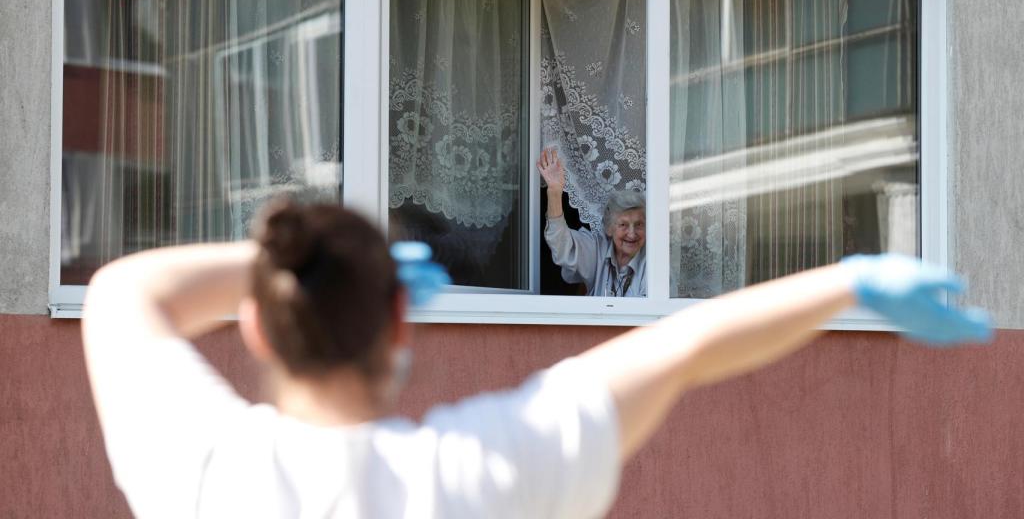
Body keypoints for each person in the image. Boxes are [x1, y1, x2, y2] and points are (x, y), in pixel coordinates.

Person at [82, 199, 992, 518]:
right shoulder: (485, 471)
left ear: (255, 327)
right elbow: (684, 345)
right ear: (403, 327)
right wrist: (847, 282)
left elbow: (126, 292)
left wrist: (289, 272)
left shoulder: (206, 472)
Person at [538, 147, 646, 297]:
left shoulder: (653, 264)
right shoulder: (598, 250)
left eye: (639, 224)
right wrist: (555, 192)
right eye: (623, 225)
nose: (632, 233)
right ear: (609, 228)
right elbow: (562, 245)